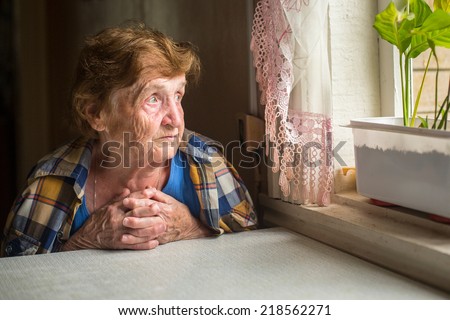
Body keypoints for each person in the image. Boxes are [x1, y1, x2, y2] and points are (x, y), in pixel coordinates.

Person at [1, 23, 257, 257]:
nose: (175, 119)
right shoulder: (51, 181)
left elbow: (251, 248)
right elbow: (17, 282)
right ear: (96, 114)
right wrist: (84, 240)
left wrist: (191, 228)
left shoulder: (207, 164)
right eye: (153, 99)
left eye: (178, 95)